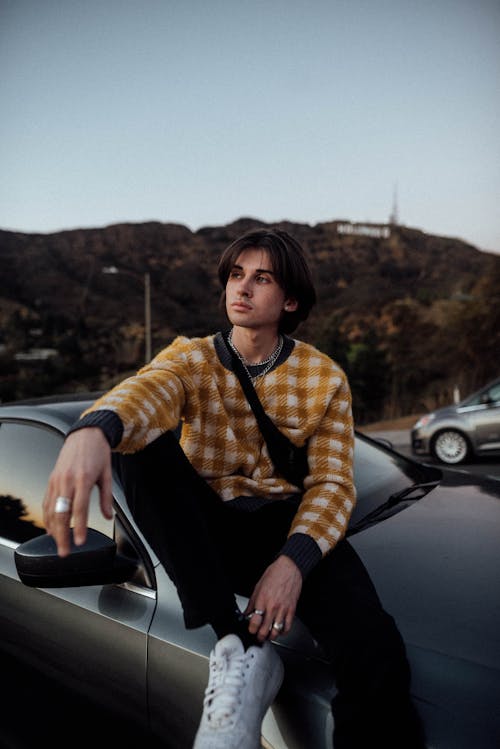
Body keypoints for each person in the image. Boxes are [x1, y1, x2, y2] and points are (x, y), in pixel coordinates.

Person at [43, 228, 425, 749]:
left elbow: (334, 483)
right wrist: (95, 428)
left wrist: (292, 563)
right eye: (235, 275)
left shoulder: (324, 377)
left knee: (378, 655)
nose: (241, 288)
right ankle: (236, 645)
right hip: (209, 527)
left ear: (289, 300)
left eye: (261, 278)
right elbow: (148, 391)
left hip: (287, 524)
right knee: (138, 445)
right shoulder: (192, 358)